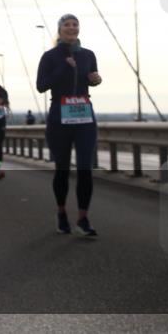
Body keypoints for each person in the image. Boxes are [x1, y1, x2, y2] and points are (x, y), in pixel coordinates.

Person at [37, 13, 103, 236]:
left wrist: (96, 79)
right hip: (59, 117)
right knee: (62, 169)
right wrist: (63, 68)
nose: (72, 28)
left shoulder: (88, 55)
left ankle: (83, 218)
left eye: (75, 24)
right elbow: (41, 86)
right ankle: (62, 213)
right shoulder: (50, 56)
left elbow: (92, 78)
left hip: (84, 115)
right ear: (60, 29)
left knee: (85, 168)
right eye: (67, 24)